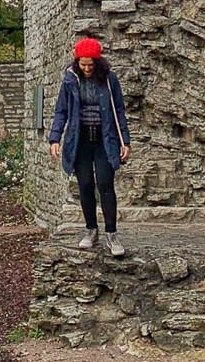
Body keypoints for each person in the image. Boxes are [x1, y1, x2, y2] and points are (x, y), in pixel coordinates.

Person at [48, 37, 131, 256]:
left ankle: (112, 234)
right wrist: (55, 138)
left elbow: (118, 111)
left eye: (90, 65)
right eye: (83, 64)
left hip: (104, 140)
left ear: (97, 63)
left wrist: (125, 141)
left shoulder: (109, 80)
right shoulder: (70, 80)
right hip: (81, 140)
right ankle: (91, 230)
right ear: (77, 62)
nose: (86, 68)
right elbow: (61, 111)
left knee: (105, 184)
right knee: (85, 185)